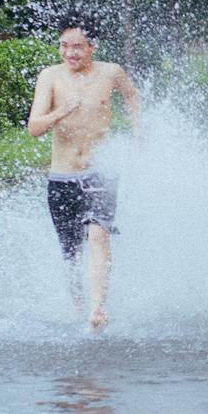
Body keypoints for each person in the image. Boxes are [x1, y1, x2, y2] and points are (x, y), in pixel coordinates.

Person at [27, 22, 140, 331]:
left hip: (99, 172)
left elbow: (131, 96)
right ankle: (78, 308)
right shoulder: (50, 77)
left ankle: (98, 309)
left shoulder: (111, 73)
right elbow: (34, 128)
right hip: (62, 177)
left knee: (99, 235)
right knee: (71, 252)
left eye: (77, 46)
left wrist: (138, 133)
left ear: (92, 47)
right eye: (64, 45)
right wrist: (60, 112)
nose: (69, 52)